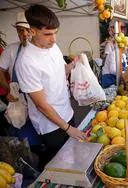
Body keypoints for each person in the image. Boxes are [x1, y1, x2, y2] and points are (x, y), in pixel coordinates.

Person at [16, 4, 85, 164]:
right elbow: (41, 105)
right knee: (61, 163)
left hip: (67, 112)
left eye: (55, 33)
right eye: (47, 34)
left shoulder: (53, 47)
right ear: (32, 31)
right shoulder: (26, 61)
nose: (53, 39)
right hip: (50, 125)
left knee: (74, 156)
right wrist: (68, 129)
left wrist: (75, 66)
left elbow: (61, 70)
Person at [0, 12, 41, 148]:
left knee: (40, 130)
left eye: (27, 30)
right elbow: (0, 71)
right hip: (19, 98)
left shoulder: (42, 50)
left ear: (33, 30)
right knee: (22, 135)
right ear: (17, 32)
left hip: (38, 97)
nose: (24, 34)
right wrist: (8, 90)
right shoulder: (11, 50)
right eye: (20, 31)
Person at [102, 24, 116, 88]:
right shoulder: (109, 44)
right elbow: (106, 57)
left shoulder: (113, 46)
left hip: (111, 72)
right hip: (108, 75)